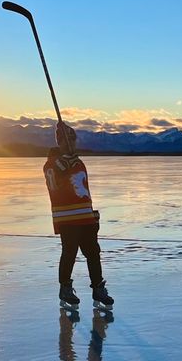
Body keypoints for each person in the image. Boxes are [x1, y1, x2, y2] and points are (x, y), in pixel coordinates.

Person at [43, 122, 115, 311]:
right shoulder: (52, 164)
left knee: (93, 252)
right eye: (69, 141)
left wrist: (92, 215)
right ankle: (65, 288)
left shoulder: (78, 161)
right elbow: (53, 184)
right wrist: (61, 164)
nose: (72, 144)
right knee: (70, 252)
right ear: (60, 142)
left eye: (73, 141)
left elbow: (84, 190)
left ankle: (98, 288)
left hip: (85, 216)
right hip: (67, 218)